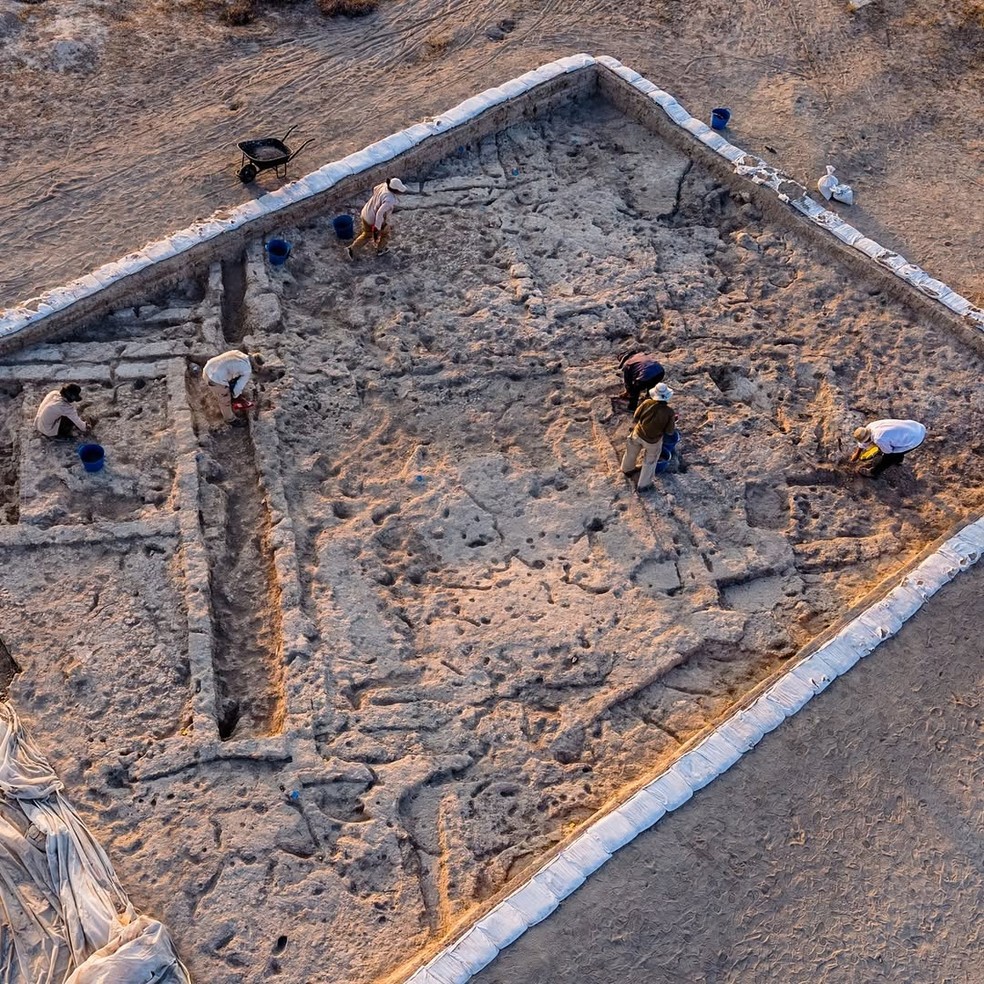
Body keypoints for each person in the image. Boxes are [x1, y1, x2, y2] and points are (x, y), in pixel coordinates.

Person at [621, 382, 677, 491]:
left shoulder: (646, 402)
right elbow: (670, 432)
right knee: (650, 462)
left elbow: (636, 415)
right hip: (653, 441)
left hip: (637, 433)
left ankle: (627, 469)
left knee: (630, 453)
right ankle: (643, 485)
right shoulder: (669, 412)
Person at [347, 177, 409, 258]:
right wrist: (377, 228)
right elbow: (379, 213)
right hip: (373, 218)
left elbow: (375, 188)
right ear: (395, 190)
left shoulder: (384, 185)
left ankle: (353, 248)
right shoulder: (389, 200)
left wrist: (377, 201)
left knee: (367, 232)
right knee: (384, 234)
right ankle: (379, 249)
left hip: (366, 212)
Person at [849, 418, 926, 477]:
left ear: (868, 439)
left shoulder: (879, 439)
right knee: (897, 445)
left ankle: (873, 473)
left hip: (916, 439)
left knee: (888, 458)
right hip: (915, 427)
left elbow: (888, 451)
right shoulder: (870, 426)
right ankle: (898, 461)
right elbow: (864, 442)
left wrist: (879, 450)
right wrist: (857, 453)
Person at [202, 349, 263, 424]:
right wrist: (235, 397)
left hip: (207, 369)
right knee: (225, 399)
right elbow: (238, 388)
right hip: (214, 380)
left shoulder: (239, 353)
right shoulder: (247, 369)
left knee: (231, 382)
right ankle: (230, 419)